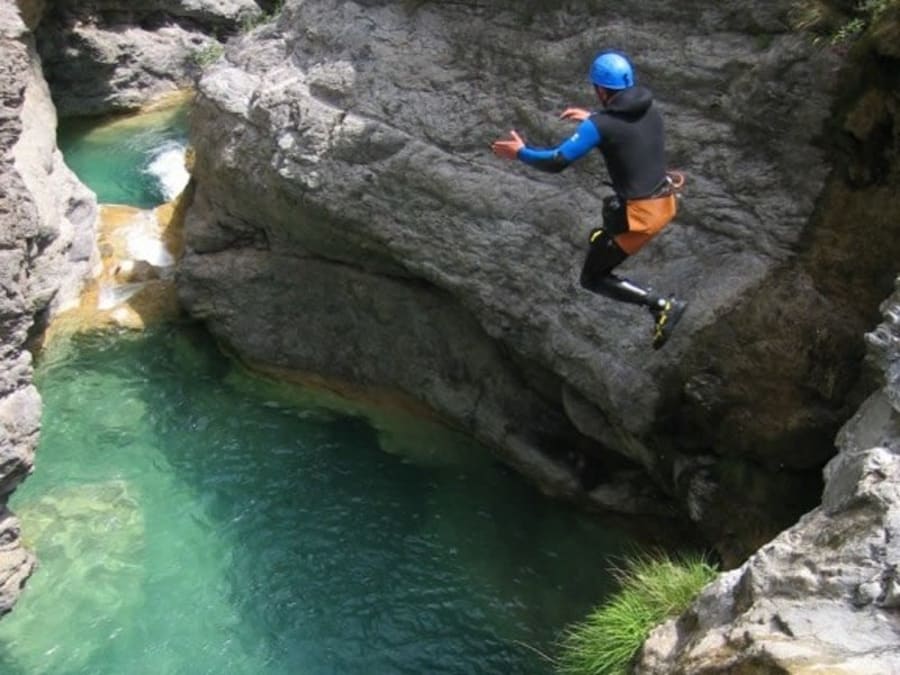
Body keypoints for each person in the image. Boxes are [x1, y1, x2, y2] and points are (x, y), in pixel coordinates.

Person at [491, 50, 687, 349]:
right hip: (665, 202)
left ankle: (661, 305)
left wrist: (520, 152)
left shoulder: (602, 126)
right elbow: (626, 131)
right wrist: (595, 118)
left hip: (640, 217)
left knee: (593, 277)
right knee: (603, 229)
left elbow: (557, 160)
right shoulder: (649, 110)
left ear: (600, 89)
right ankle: (608, 237)